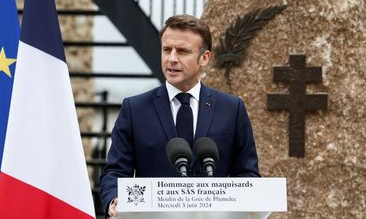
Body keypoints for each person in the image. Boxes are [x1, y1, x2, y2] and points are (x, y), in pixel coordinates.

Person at [99, 14, 260, 217]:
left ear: (205, 57)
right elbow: (115, 171)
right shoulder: (134, 109)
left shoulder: (232, 109)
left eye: (182, 51)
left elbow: (247, 173)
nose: (172, 58)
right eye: (167, 50)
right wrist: (114, 199)